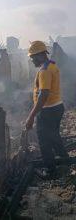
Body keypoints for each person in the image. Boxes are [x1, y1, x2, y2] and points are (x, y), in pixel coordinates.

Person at [25, 41, 68, 178]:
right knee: (54, 137)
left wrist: (31, 116)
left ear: (41, 55)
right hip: (57, 107)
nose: (32, 60)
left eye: (33, 57)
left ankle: (51, 171)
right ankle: (65, 161)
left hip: (48, 111)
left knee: (44, 142)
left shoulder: (44, 71)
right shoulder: (52, 65)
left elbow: (44, 94)